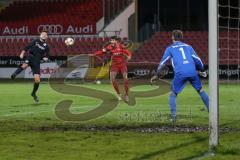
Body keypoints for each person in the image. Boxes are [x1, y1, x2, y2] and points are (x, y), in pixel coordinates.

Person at [151, 30, 209, 122]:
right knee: (201, 90)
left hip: (180, 73)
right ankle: (212, 113)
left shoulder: (170, 48)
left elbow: (162, 63)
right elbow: (198, 60)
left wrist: (157, 75)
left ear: (173, 37)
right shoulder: (188, 47)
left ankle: (173, 117)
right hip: (192, 71)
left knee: (173, 94)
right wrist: (202, 70)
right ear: (181, 37)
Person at [11, 31, 50, 102]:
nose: (44, 35)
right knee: (24, 65)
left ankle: (33, 93)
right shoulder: (36, 41)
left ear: (47, 37)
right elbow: (26, 47)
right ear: (40, 35)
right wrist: (22, 53)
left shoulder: (46, 46)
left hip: (37, 62)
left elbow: (47, 56)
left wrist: (45, 59)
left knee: (37, 80)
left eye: (45, 35)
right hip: (30, 57)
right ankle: (14, 75)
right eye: (42, 34)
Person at [93, 36, 132, 102]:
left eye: (113, 40)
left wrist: (129, 56)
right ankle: (118, 94)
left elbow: (128, 52)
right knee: (112, 80)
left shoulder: (121, 46)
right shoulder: (109, 47)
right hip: (114, 65)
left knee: (125, 79)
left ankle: (126, 95)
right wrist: (94, 54)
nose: (111, 41)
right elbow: (102, 52)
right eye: (111, 40)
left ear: (116, 41)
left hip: (122, 65)